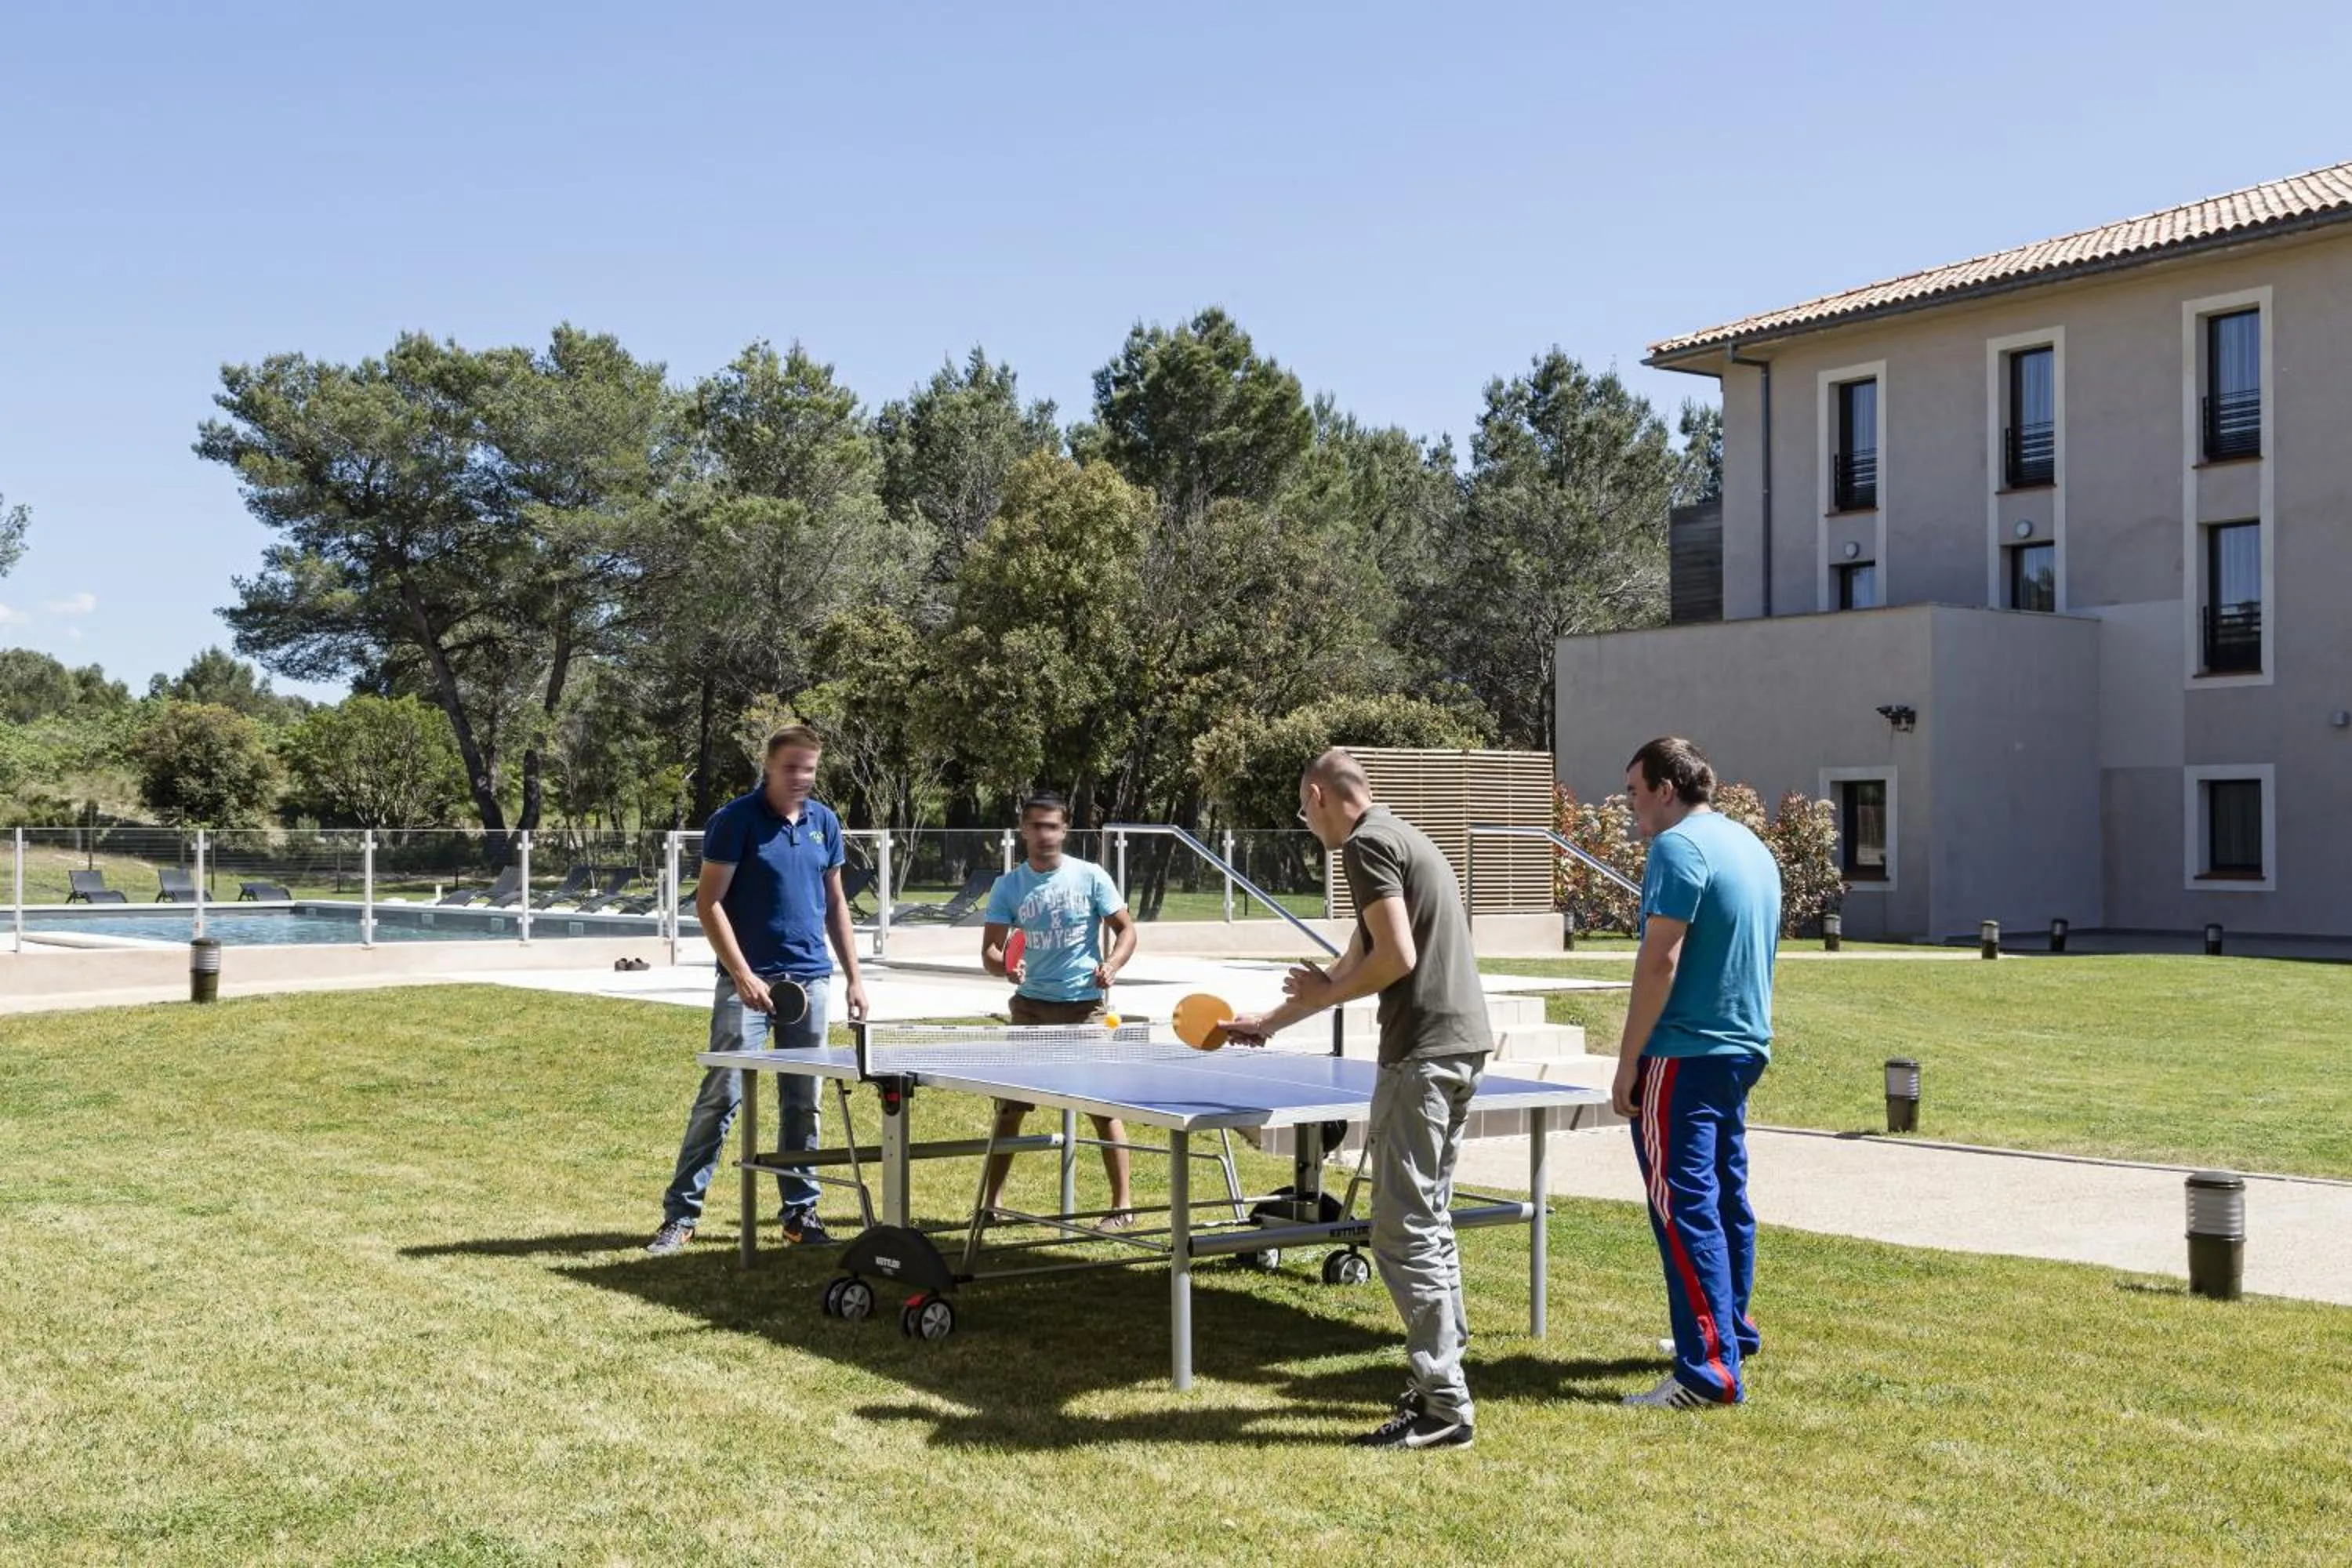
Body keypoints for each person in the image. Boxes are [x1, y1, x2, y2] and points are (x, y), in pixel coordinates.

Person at [1228, 749, 1490, 1451]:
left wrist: (1329, 993)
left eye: (1301, 810)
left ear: (1318, 795)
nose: (1306, 825)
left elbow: (1395, 958)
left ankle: (1443, 1406)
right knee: (1426, 1220)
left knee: (1400, 1230)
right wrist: (1267, 1023)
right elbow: (1350, 966)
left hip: (1424, 1053)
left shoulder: (1367, 846)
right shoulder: (1402, 836)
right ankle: (1443, 1382)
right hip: (1459, 1048)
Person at [644, 726, 869, 1255]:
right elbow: (709, 903)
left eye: (810, 768)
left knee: (803, 1101)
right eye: (793, 767)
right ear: (768, 765)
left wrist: (855, 977)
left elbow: (836, 906)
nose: (802, 778)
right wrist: (743, 974)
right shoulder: (735, 820)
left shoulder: (825, 823)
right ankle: (680, 1216)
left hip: (810, 980)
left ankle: (800, 1213)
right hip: (744, 984)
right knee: (722, 1094)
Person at [1610, 736, 1780, 1409]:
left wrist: (1628, 1062)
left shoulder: (1677, 848)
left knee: (1684, 1207)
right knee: (1723, 1196)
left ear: (1666, 788)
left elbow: (1660, 963)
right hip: (1741, 1049)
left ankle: (1707, 1372)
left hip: (1682, 1053)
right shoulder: (1750, 846)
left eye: (1633, 791)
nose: (1630, 806)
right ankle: (1729, 1332)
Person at [977, 792, 1139, 1226]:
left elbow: (1126, 931)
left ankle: (1122, 1208)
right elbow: (990, 953)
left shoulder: (1090, 877)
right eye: (1035, 826)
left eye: (1052, 826)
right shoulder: (1009, 886)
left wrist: (1114, 964)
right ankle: (991, 1206)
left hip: (1085, 1009)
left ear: (1065, 830)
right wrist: (1007, 967)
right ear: (1023, 830)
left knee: (1103, 1110)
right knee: (1009, 1111)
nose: (1044, 834)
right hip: (1030, 1010)